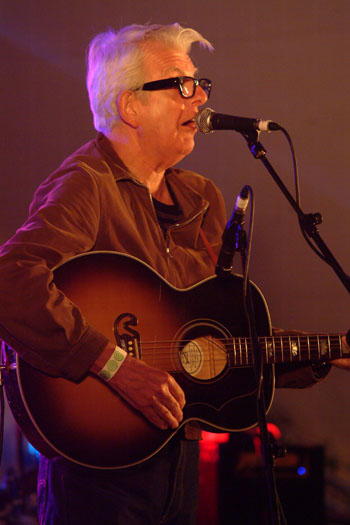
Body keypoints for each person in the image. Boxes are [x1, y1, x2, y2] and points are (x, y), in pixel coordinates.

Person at [0, 22, 349, 525]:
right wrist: (115, 366)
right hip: (97, 468)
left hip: (178, 456)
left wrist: (326, 350)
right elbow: (11, 280)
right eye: (181, 84)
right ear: (130, 105)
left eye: (201, 83)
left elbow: (214, 342)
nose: (201, 97)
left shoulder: (199, 198)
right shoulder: (87, 185)